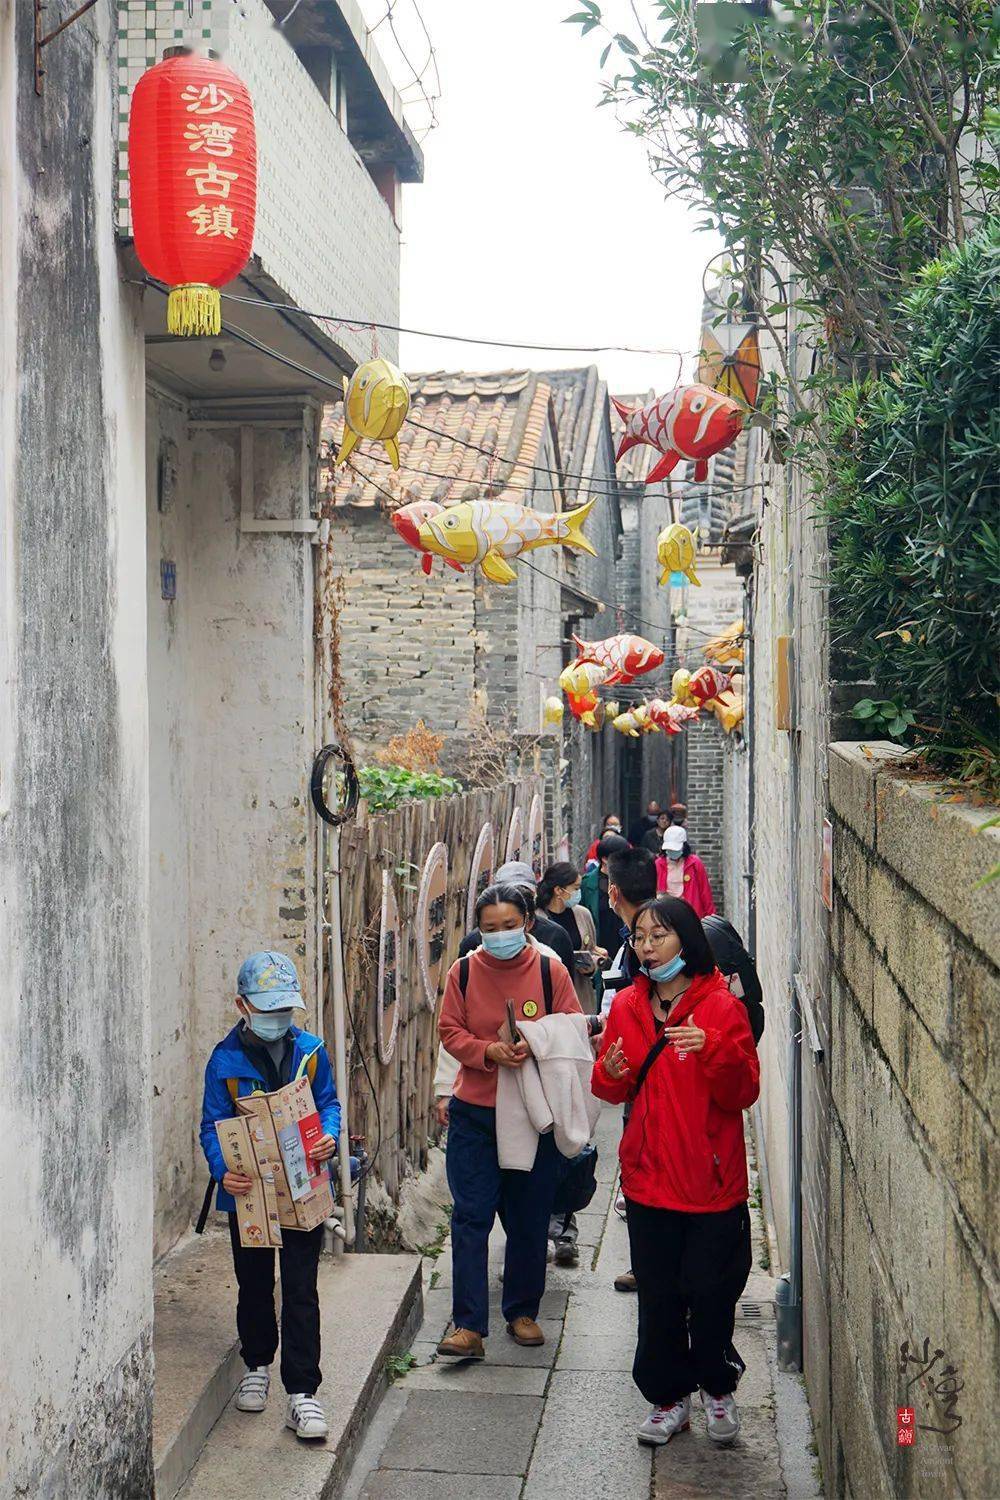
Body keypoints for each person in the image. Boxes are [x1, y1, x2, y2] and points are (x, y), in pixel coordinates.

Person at [592, 898, 759, 1449]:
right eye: (639, 936)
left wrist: (712, 1050)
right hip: (649, 1181)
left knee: (711, 1293)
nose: (646, 946)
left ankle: (716, 1387)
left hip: (711, 1184)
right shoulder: (627, 1007)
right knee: (659, 1298)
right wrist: (610, 1073)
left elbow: (743, 1092)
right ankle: (668, 1399)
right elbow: (610, 1084)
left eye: (658, 935)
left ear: (685, 942)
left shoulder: (720, 1008)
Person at [436, 883, 583, 1361]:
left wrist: (534, 1042)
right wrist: (486, 1052)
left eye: (509, 926)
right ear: (479, 929)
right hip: (474, 1114)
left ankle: (523, 1311)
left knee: (528, 1218)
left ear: (528, 924)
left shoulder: (548, 969)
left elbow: (574, 1026)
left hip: (531, 1113)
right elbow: (449, 1031)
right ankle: (468, 1326)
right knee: (471, 1216)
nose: (499, 935)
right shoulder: (462, 972)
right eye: (489, 927)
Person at [199, 951, 341, 1441]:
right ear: (242, 1005)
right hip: (250, 1193)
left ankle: (302, 1393)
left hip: (304, 1186)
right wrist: (222, 1170)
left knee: (301, 1288)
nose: (277, 1018)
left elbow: (329, 1105)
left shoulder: (311, 1051)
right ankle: (256, 1362)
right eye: (267, 1008)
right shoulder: (224, 1061)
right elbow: (211, 1126)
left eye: (284, 1009)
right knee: (254, 1282)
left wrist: (329, 1136)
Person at [460, 860, 575, 973]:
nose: (520, 900)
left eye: (525, 893)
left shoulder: (556, 937)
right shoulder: (473, 942)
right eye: (511, 895)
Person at [537, 860, 605, 1013]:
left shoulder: (582, 914)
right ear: (559, 891)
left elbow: (592, 948)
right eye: (576, 888)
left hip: (579, 994)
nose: (578, 893)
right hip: (549, 997)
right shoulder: (538, 920)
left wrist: (592, 964)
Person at [581, 831, 631, 958]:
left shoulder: (632, 880)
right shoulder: (586, 884)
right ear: (604, 858)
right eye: (620, 857)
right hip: (599, 946)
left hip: (625, 944)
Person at [656, 825, 716, 917]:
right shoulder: (658, 864)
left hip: (690, 913)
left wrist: (711, 917)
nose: (672, 851)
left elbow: (705, 892)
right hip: (666, 914)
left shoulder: (695, 863)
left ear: (683, 846)